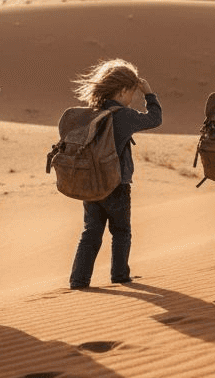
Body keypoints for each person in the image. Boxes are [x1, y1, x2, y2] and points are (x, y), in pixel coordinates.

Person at [68, 59, 163, 288]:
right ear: (122, 91)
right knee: (121, 231)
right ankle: (119, 275)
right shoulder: (123, 115)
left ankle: (78, 280)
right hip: (116, 185)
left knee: (91, 232)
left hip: (90, 185)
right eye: (131, 92)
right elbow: (155, 119)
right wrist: (149, 94)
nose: (132, 98)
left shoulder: (92, 113)